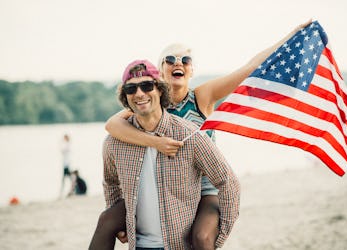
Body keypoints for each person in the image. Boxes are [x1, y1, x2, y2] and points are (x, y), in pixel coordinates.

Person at [101, 19, 313, 249]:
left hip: (205, 187)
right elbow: (112, 125)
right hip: (173, 188)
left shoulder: (202, 97)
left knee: (201, 238)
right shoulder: (149, 102)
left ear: (192, 70)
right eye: (169, 59)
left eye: (185, 60)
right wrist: (156, 142)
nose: (177, 63)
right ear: (160, 72)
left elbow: (248, 68)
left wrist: (290, 36)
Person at [89, 60, 240, 250]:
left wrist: (218, 238)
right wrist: (121, 223)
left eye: (146, 86)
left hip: (179, 245)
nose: (139, 94)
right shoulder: (114, 143)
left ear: (160, 89)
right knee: (105, 219)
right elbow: (111, 183)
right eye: (131, 89)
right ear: (125, 96)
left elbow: (228, 182)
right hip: (139, 246)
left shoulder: (189, 135)